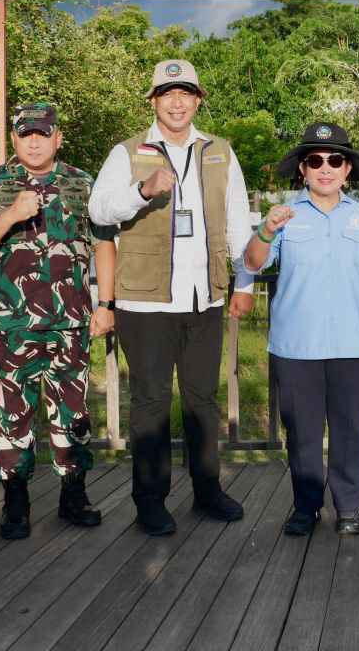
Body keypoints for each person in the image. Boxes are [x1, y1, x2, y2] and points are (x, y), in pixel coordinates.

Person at [89, 60, 255, 536]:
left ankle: (207, 491)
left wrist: (242, 283)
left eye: (185, 93)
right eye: (167, 93)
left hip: (205, 298)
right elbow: (99, 209)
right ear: (154, 101)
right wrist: (142, 191)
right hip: (145, 302)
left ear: (198, 99)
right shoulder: (127, 152)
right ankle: (150, 500)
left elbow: (240, 221)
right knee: (151, 403)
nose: (177, 101)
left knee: (203, 401)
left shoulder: (220, 151)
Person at [0, 103, 115, 539]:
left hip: (71, 323)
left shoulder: (82, 183)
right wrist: (10, 215)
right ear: (14, 139)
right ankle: (15, 501)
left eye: (42, 133)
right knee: (13, 415)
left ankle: (73, 493)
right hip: (13, 326)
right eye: (25, 134)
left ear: (57, 138)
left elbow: (103, 246)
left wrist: (106, 303)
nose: (34, 141)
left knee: (73, 412)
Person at [244, 122, 359, 536]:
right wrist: (266, 229)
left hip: (356, 343)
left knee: (351, 431)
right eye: (315, 161)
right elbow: (253, 262)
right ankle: (305, 506)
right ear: (303, 169)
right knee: (303, 433)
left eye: (335, 160)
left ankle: (349, 507)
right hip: (296, 345)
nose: (325, 168)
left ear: (347, 169)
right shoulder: (283, 216)